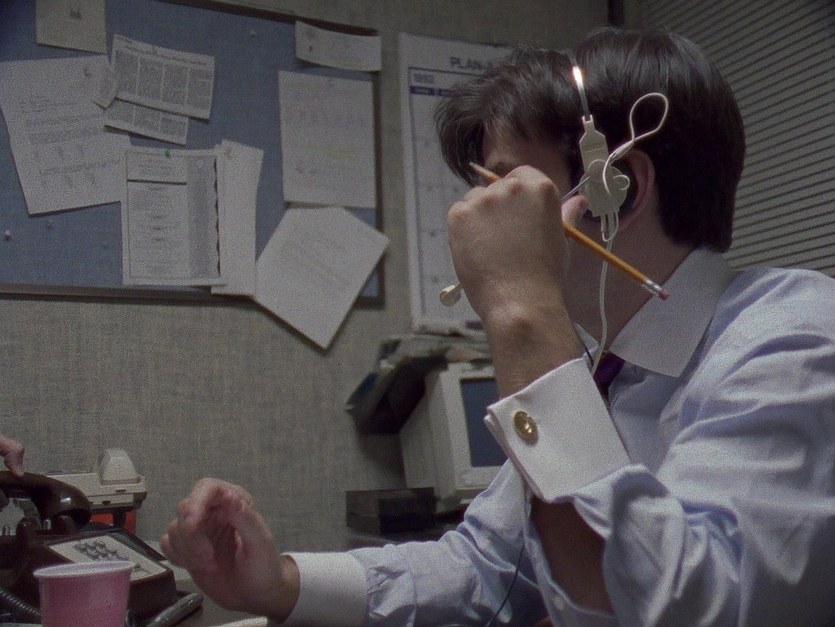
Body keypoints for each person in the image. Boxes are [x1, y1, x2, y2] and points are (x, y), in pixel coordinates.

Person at [161, 28, 835, 626]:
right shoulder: (603, 372)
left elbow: (686, 607)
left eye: (505, 185)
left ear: (617, 188)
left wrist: (520, 307)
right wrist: (280, 583)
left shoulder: (793, 337)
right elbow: (487, 564)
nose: (473, 213)